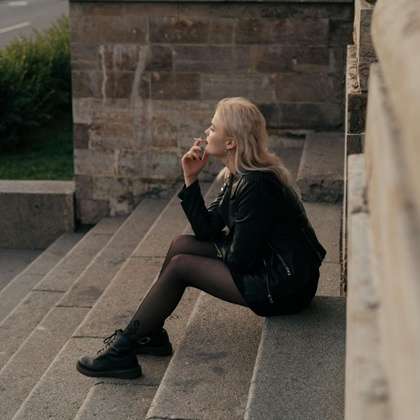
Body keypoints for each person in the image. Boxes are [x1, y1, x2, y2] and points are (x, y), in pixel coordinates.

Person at [76, 97, 327, 380]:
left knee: (181, 266)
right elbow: (207, 230)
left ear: (231, 142)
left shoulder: (256, 185)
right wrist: (191, 179)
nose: (207, 132)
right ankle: (150, 333)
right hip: (271, 268)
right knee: (180, 244)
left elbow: (241, 260)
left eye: (213, 127)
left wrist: (213, 251)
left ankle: (124, 349)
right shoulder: (239, 175)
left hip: (284, 286)